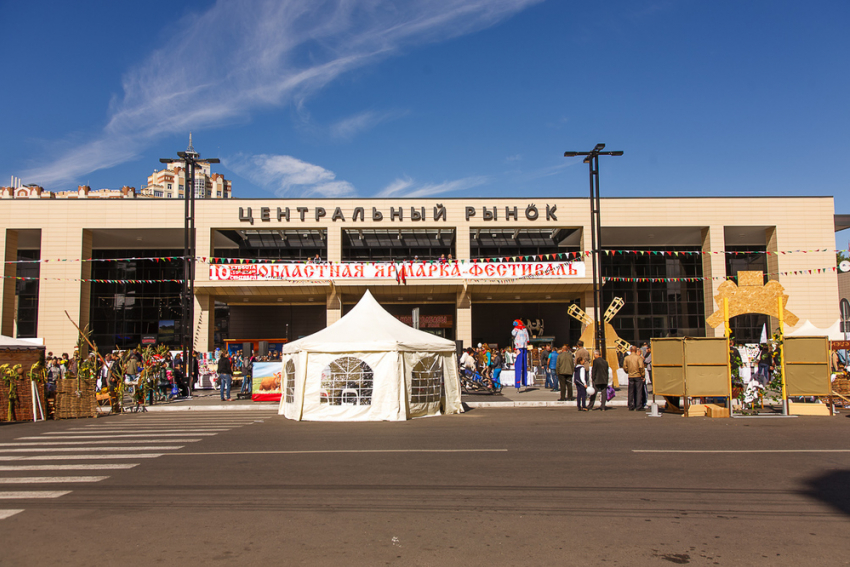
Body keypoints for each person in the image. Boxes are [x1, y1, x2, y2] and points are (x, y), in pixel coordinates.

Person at [623, 345, 647, 411]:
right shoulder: (638, 358)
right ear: (636, 350)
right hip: (638, 375)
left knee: (631, 391)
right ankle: (638, 405)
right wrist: (643, 375)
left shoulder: (627, 358)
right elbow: (641, 367)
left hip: (630, 375)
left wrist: (628, 371)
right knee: (638, 391)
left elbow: (625, 367)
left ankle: (630, 405)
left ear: (630, 350)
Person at [512, 320, 530, 392]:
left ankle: (524, 383)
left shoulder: (524, 329)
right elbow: (513, 333)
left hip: (523, 347)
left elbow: (527, 338)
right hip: (519, 347)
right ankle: (518, 384)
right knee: (519, 366)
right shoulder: (518, 329)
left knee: (524, 366)